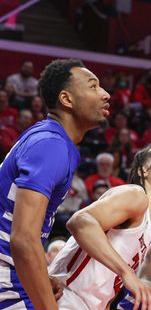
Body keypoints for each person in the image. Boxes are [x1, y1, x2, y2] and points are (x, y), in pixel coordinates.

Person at [0, 59, 110, 310]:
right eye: (93, 87)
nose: (105, 94)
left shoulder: (53, 140)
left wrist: (41, 275)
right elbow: (24, 239)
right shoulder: (52, 144)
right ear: (67, 99)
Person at [48, 143, 151, 310]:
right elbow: (80, 221)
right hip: (66, 296)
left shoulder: (148, 230)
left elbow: (108, 286)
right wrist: (126, 272)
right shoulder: (136, 195)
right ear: (143, 170)